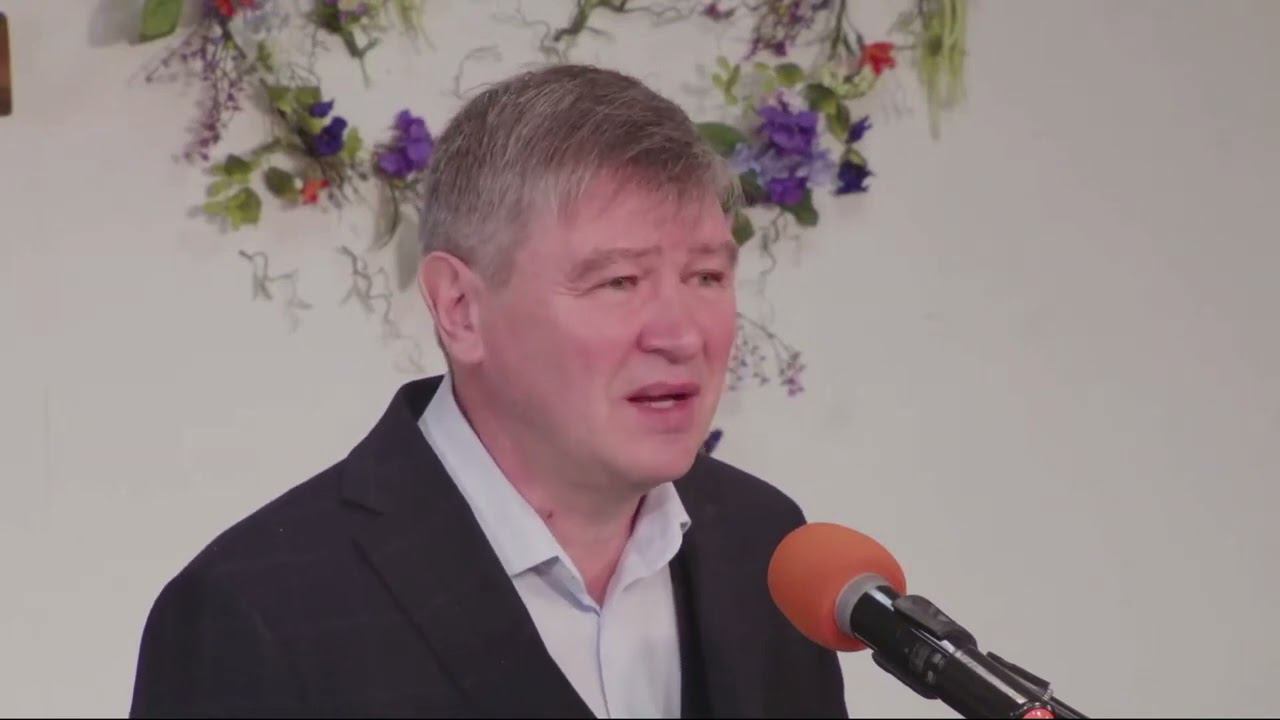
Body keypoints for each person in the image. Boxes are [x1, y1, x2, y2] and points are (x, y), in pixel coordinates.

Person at [129, 64, 847, 718]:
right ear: (460, 309)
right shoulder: (257, 612)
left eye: (707, 277)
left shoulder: (771, 550)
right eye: (618, 282)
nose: (682, 335)